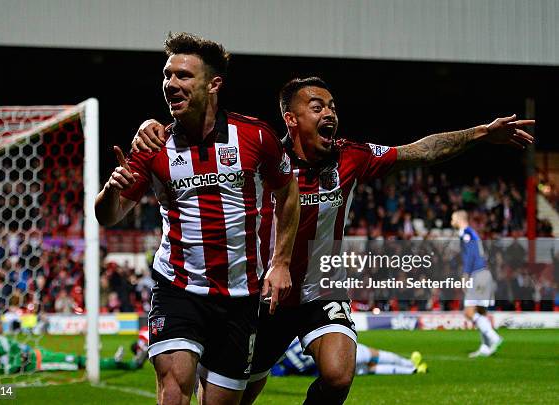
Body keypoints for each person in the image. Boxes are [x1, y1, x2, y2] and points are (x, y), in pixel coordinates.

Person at [131, 77, 534, 404]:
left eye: (333, 106)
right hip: (265, 298)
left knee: (339, 376)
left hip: (321, 291)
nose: (330, 113)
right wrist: (155, 128)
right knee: (231, 398)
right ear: (291, 119)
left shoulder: (350, 157)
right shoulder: (264, 158)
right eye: (318, 106)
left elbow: (420, 152)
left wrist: (482, 133)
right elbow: (204, 145)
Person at [95, 32, 300, 405]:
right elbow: (107, 216)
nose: (171, 84)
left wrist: (281, 261)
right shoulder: (153, 148)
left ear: (213, 84)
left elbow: (288, 192)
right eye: (167, 75)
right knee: (174, 394)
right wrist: (111, 189)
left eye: (184, 76)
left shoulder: (255, 136)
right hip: (178, 288)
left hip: (240, 295)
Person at [0, 311, 140, 374]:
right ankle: (117, 363)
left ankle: (121, 363)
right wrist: (16, 364)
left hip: (38, 353)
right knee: (77, 361)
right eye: (0, 323)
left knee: (78, 359)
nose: (1, 326)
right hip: (38, 363)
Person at [450, 210, 503, 357]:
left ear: (460, 219)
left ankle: (493, 337)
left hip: (477, 274)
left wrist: (466, 274)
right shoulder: (472, 233)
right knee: (480, 312)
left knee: (469, 312)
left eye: (452, 218)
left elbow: (471, 254)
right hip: (485, 274)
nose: (451, 221)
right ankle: (485, 347)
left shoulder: (465, 233)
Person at [270, 337, 427, 377]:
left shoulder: (282, 366)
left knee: (370, 369)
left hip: (329, 369)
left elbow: (278, 373)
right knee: (373, 355)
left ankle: (412, 371)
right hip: (334, 353)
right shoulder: (287, 340)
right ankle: (409, 363)